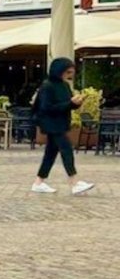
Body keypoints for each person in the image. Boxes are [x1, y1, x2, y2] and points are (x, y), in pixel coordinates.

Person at [31, 57, 94, 195]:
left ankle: (38, 182)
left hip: (61, 122)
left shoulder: (64, 86)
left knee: (51, 153)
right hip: (51, 123)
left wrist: (76, 103)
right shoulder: (47, 86)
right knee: (66, 149)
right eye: (68, 72)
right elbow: (46, 108)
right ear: (59, 71)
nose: (70, 75)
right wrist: (70, 103)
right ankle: (74, 182)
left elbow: (67, 105)